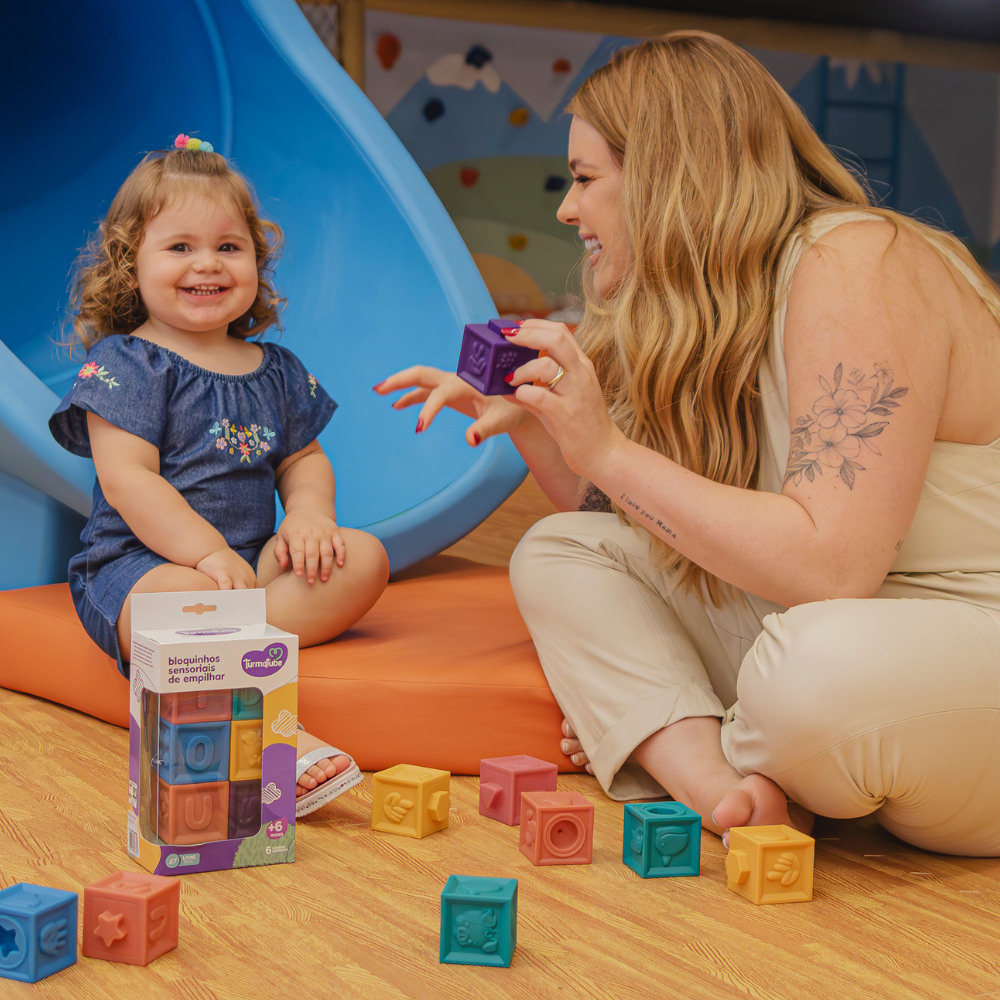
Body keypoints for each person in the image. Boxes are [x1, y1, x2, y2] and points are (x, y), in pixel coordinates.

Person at [377, 32, 1000, 856]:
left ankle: (711, 728)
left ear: (667, 177)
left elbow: (832, 569)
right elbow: (639, 519)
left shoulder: (856, 260)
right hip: (837, 629)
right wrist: (542, 428)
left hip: (960, 630)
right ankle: (723, 785)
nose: (567, 210)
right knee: (563, 550)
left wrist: (608, 451)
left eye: (586, 179)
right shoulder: (711, 309)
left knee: (811, 674)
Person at [50, 135, 389, 816]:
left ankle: (232, 640)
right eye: (180, 247)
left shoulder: (277, 370)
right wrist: (204, 554)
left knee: (363, 558)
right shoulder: (128, 364)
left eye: (229, 247)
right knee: (186, 600)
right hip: (139, 570)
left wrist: (309, 516)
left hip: (247, 570)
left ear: (256, 263)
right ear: (131, 265)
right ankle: (275, 735)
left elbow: (303, 460)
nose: (207, 263)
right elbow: (129, 480)